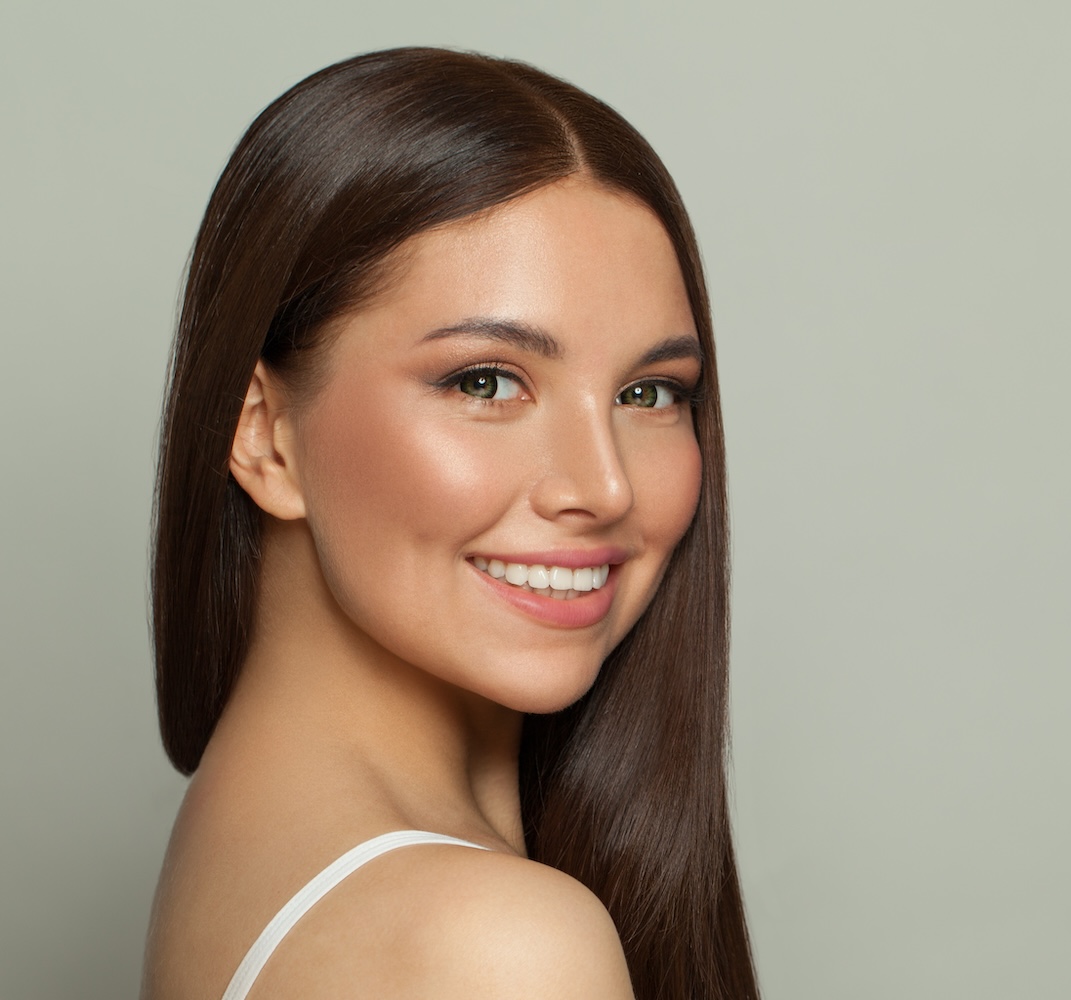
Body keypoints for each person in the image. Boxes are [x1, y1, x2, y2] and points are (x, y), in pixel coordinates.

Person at [141, 47, 758, 1000]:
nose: (603, 487)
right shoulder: (491, 945)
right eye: (486, 381)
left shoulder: (245, 828)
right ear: (265, 438)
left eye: (648, 392)